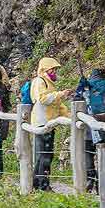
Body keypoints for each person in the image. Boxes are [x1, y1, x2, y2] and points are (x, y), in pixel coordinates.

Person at [28, 57, 66, 191]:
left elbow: (58, 105)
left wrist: (70, 117)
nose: (54, 72)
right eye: (53, 69)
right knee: (43, 155)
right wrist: (60, 94)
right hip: (42, 123)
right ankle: (41, 184)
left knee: (46, 154)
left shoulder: (49, 83)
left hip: (48, 123)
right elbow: (43, 99)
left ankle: (40, 183)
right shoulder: (40, 81)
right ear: (45, 69)